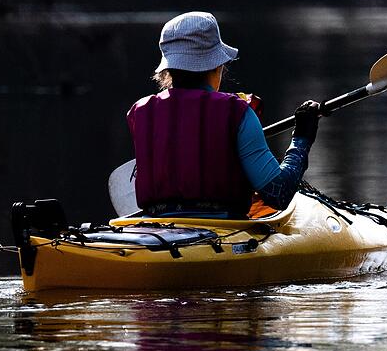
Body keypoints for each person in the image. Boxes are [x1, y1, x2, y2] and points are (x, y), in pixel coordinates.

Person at [126, 11, 321, 218]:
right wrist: (302, 138)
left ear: (168, 70)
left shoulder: (140, 112)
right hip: (222, 232)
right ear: (216, 65)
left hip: (156, 230)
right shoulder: (238, 113)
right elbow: (278, 193)